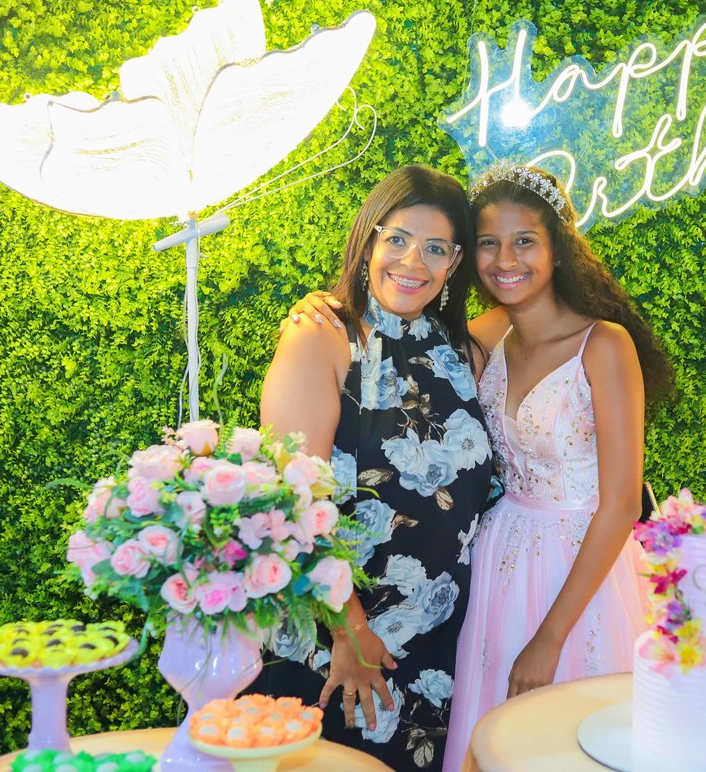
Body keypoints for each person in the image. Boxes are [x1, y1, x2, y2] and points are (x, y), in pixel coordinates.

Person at [288, 162, 673, 771]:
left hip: (555, 574)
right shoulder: (456, 339)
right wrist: (324, 308)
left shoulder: (569, 344)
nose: (505, 260)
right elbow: (299, 501)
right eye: (489, 243)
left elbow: (622, 502)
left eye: (525, 241)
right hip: (473, 577)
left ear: (558, 248)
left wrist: (548, 639)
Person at [253, 165, 495, 772]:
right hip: (340, 643)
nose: (414, 262)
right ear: (368, 241)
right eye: (398, 239)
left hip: (436, 640)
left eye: (435, 248)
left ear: (455, 262)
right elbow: (293, 507)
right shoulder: (322, 335)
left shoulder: (460, 351)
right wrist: (350, 632)